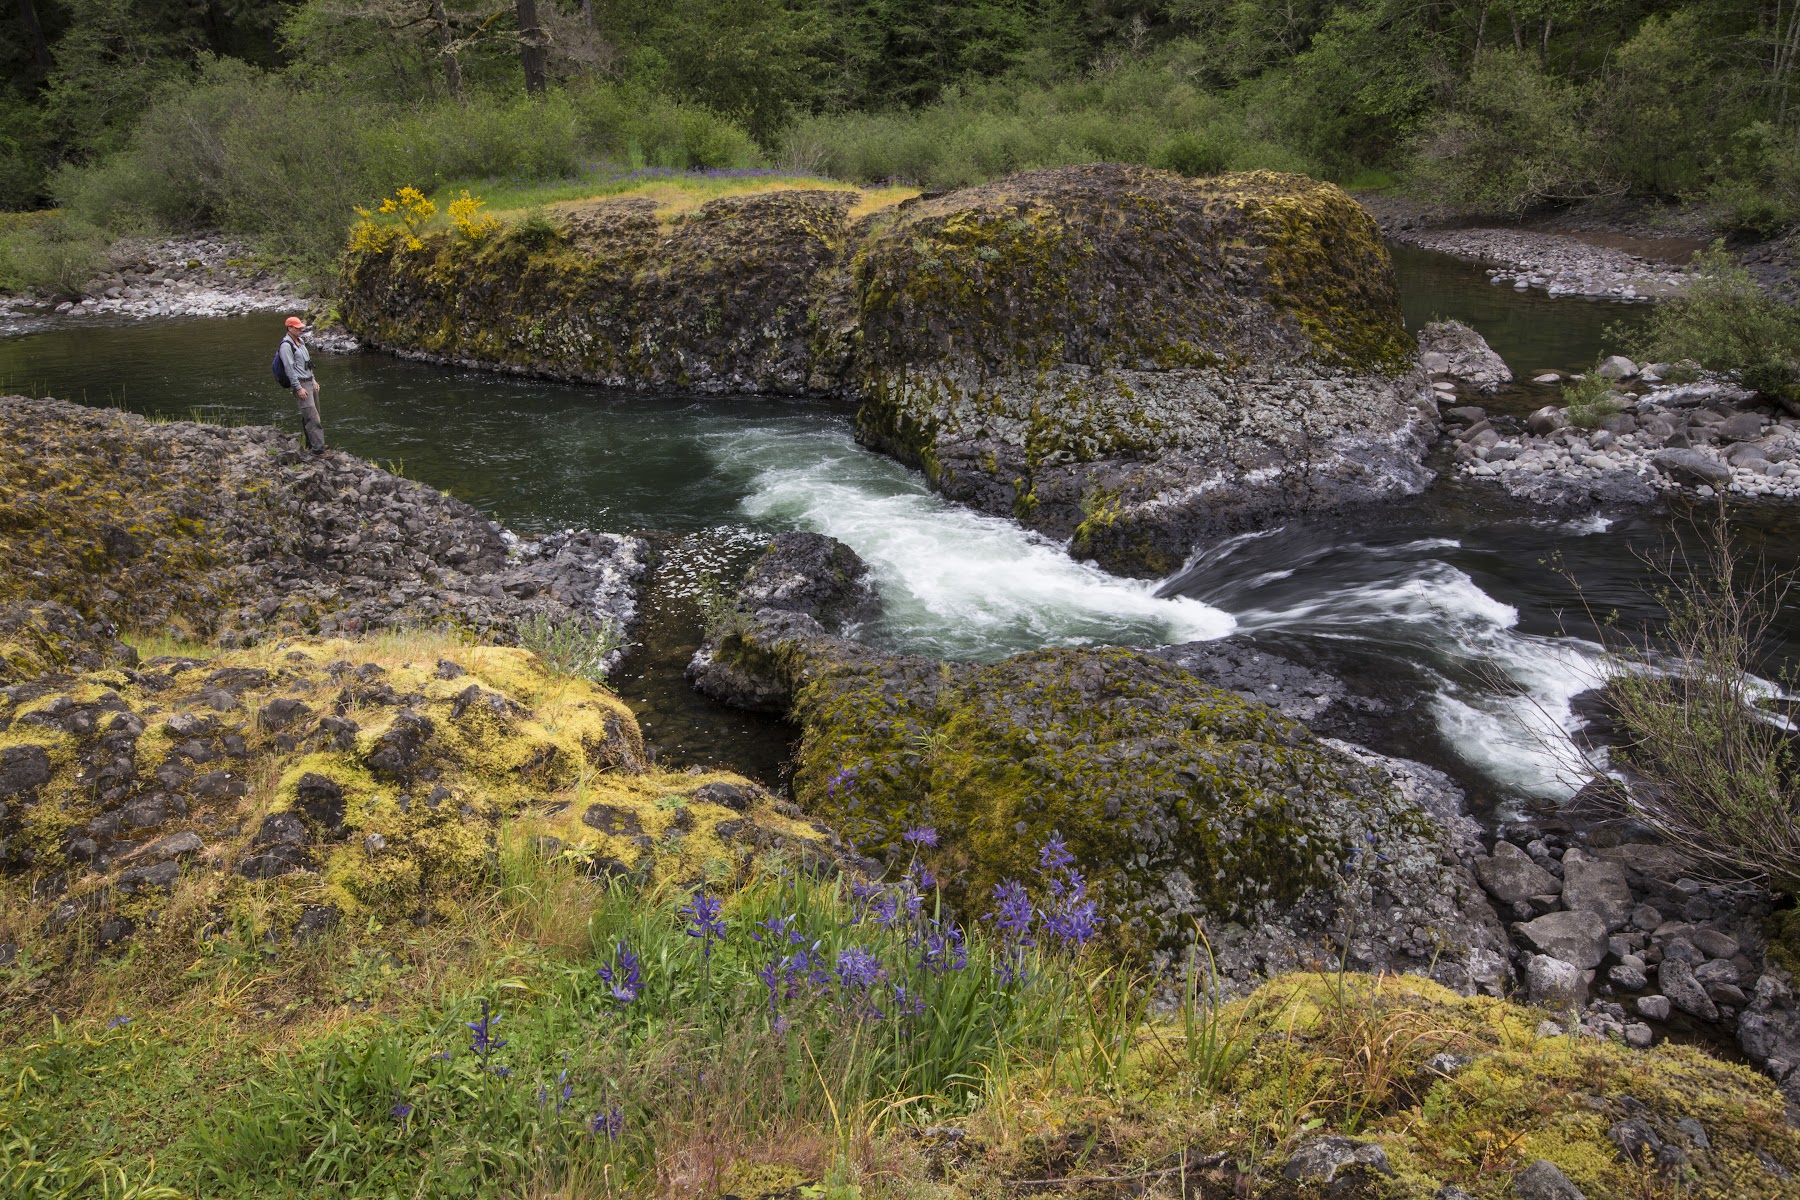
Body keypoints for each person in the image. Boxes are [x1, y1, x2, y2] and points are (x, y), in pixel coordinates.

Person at [280, 315, 326, 453]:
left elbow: (307, 364)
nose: (301, 330)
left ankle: (311, 445)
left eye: (301, 328)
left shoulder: (300, 341)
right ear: (289, 328)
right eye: (298, 328)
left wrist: (313, 380)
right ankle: (319, 451)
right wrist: (298, 388)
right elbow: (289, 369)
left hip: (309, 382)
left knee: (313, 415)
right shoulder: (286, 346)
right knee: (313, 418)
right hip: (301, 385)